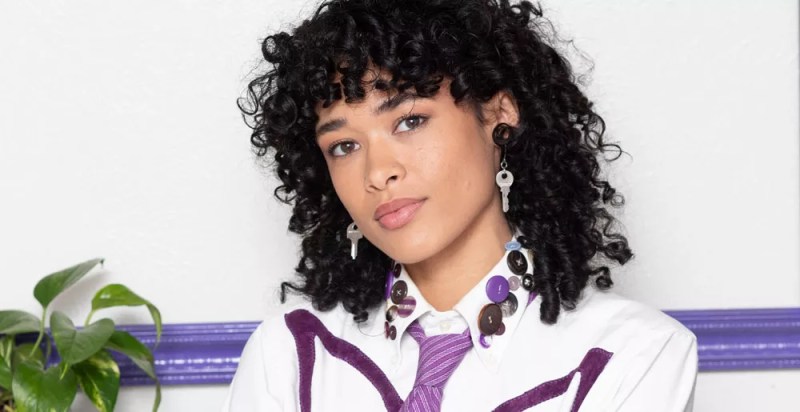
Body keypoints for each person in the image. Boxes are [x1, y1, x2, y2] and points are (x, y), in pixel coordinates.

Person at [223, 0, 698, 410]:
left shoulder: (632, 355)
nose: (376, 172)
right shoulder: (290, 355)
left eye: (409, 121)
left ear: (498, 114)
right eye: (344, 146)